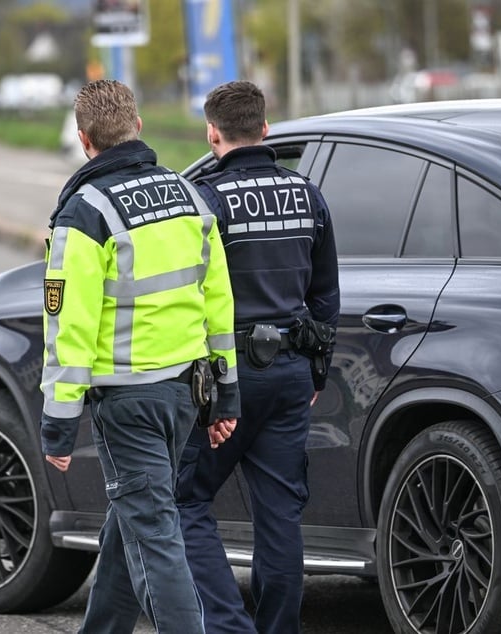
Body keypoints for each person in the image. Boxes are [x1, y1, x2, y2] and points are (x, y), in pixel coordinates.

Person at [39, 79, 240, 634]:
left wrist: (58, 424)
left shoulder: (86, 213)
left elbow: (68, 326)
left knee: (153, 534)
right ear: (139, 127)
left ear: (84, 140)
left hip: (128, 403)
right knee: (133, 519)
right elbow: (218, 302)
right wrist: (226, 394)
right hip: (184, 396)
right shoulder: (189, 195)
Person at [176, 80, 340, 634]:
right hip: (292, 374)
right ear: (265, 129)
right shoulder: (307, 194)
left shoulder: (205, 199)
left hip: (226, 377)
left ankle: (226, 626)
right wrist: (316, 368)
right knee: (279, 519)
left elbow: (188, 295)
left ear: (212, 133)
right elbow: (325, 295)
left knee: (184, 500)